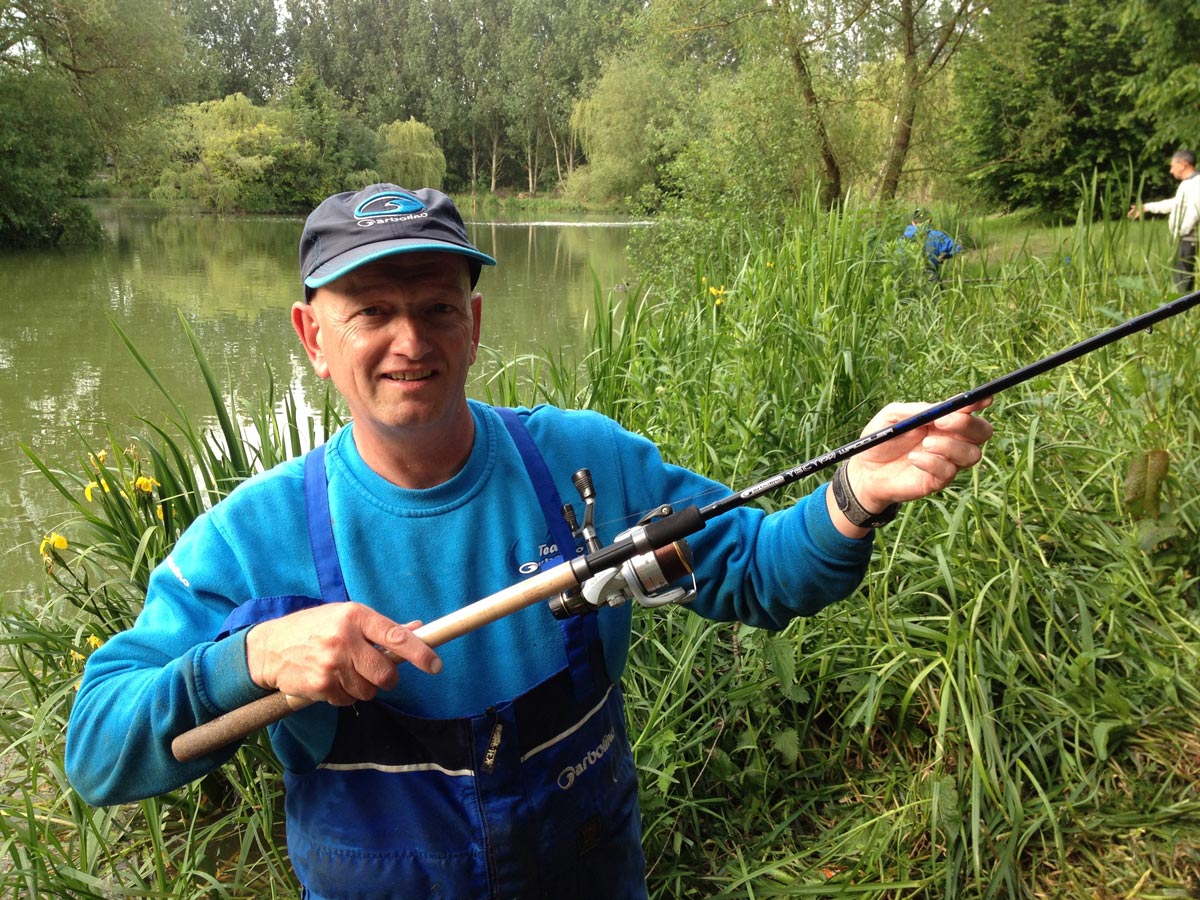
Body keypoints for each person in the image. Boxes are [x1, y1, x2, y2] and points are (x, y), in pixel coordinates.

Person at [65, 184, 993, 899]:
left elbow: (759, 569)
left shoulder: (584, 463)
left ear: (474, 325)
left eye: (435, 308)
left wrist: (857, 492)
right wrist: (252, 658)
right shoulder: (248, 538)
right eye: (371, 312)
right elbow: (98, 751)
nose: (408, 340)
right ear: (313, 337)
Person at [1127, 148, 1200, 293]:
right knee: (1181, 275)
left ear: (1183, 164)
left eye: (1173, 166)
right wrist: (1146, 208)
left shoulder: (1197, 184)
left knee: (1182, 279)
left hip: (1188, 238)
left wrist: (1179, 233)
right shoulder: (1189, 184)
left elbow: (1194, 212)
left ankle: (1181, 309)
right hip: (1184, 237)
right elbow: (1175, 204)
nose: (1171, 171)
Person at [901, 208, 963, 281]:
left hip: (906, 280)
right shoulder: (936, 236)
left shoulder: (902, 239)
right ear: (929, 221)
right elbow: (957, 249)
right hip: (929, 280)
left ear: (913, 222)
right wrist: (943, 256)